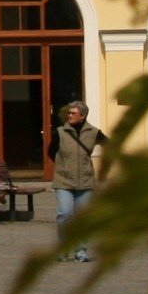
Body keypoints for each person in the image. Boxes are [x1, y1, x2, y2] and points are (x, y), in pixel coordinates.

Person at [51, 101, 105, 262]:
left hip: (86, 180)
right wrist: (64, 166)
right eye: (68, 113)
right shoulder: (60, 132)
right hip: (64, 180)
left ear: (82, 116)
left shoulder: (94, 132)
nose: (69, 115)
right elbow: (50, 152)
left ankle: (81, 251)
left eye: (73, 113)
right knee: (64, 214)